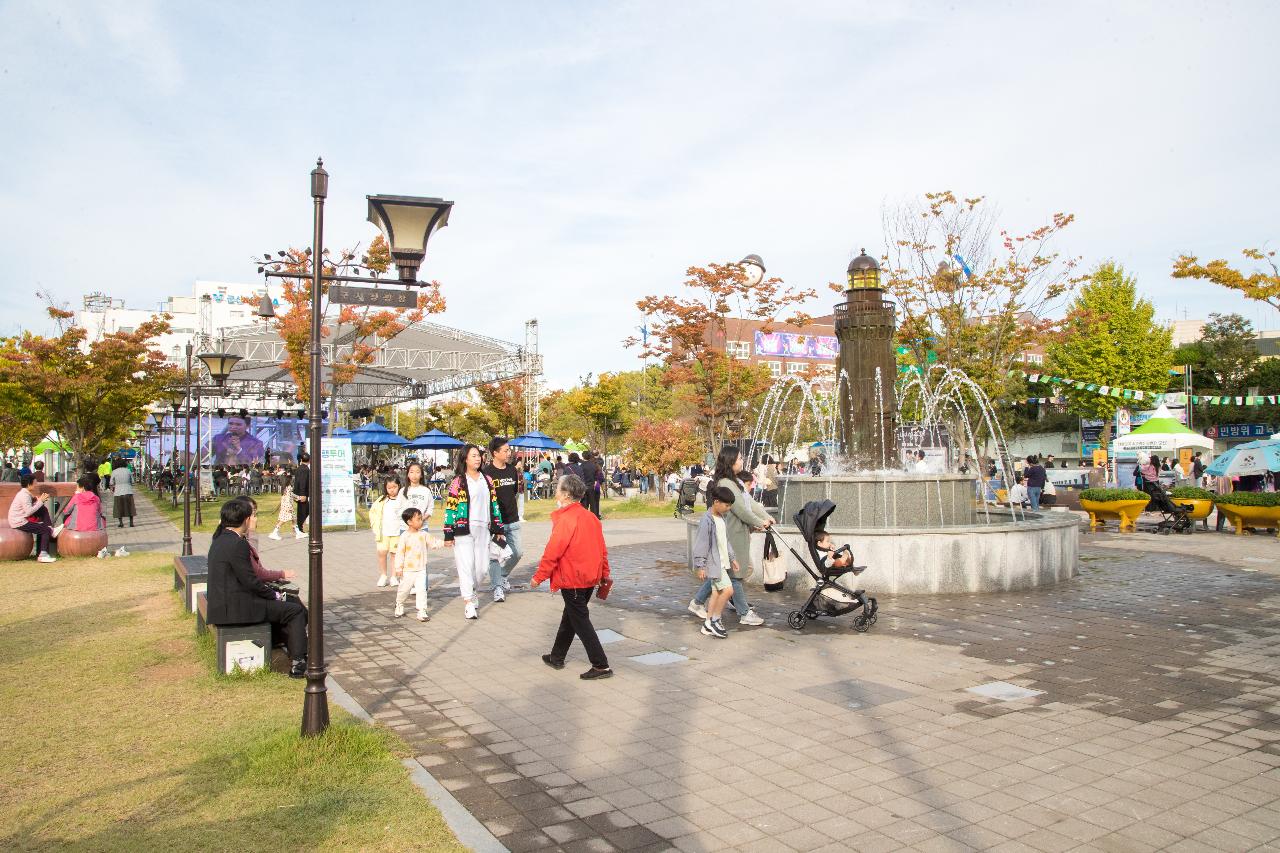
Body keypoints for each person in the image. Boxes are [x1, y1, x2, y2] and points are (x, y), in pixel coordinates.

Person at [206, 498, 307, 677]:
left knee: (285, 607)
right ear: (245, 520)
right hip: (238, 608)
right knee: (295, 611)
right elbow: (251, 581)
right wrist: (274, 595)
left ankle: (282, 646)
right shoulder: (238, 544)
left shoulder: (219, 540)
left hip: (224, 605)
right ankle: (299, 664)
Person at [531, 474, 613, 679]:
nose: (556, 492)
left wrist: (539, 576)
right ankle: (557, 656)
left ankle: (601, 665)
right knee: (571, 617)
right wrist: (603, 574)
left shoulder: (567, 519)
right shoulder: (590, 516)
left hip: (573, 578)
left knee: (580, 621)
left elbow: (553, 551)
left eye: (558, 488)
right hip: (588, 577)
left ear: (566, 494)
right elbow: (602, 549)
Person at [687, 447, 769, 626]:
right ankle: (744, 612)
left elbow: (750, 504)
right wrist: (758, 522)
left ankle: (697, 602)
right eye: (739, 458)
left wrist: (765, 516)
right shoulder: (725, 483)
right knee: (734, 575)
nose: (742, 461)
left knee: (723, 572)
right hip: (731, 534)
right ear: (731, 461)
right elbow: (740, 509)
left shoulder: (736, 482)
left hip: (737, 533)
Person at [443, 444, 506, 620]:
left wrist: (498, 528)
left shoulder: (487, 480)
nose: (477, 459)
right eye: (473, 456)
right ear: (465, 459)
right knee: (465, 566)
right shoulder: (459, 481)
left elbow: (494, 505)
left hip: (483, 529)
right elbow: (451, 507)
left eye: (478, 456)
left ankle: (472, 590)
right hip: (463, 529)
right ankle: (468, 602)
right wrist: (448, 532)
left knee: (481, 568)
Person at [691, 485, 739, 639]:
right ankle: (715, 620)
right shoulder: (707, 520)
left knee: (716, 592)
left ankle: (707, 623)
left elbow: (725, 541)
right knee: (728, 591)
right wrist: (701, 565)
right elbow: (701, 543)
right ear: (716, 502)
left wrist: (732, 558)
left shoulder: (721, 518)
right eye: (726, 505)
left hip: (722, 562)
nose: (728, 508)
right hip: (713, 563)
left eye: (730, 505)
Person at [482, 437, 523, 602]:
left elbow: (514, 492)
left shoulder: (512, 470)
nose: (509, 453)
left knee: (517, 552)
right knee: (495, 556)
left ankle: (502, 575)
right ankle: (497, 587)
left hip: (512, 520)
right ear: (495, 453)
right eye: (505, 450)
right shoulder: (486, 473)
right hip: (495, 523)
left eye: (509, 450)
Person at [394, 506, 445, 621]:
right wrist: (398, 568)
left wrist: (445, 543)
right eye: (418, 519)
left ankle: (422, 610)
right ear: (409, 522)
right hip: (407, 570)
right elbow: (399, 554)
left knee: (421, 590)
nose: (421, 521)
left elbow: (434, 542)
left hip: (421, 569)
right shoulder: (404, 536)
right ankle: (399, 604)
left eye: (421, 518)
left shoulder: (423, 534)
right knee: (404, 590)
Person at [8, 475, 57, 563]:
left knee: (42, 511)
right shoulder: (24, 495)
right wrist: (40, 501)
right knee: (45, 530)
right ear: (29, 484)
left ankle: (42, 551)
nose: (36, 485)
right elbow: (28, 512)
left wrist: (38, 502)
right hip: (19, 522)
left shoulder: (25, 493)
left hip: (19, 519)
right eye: (35, 483)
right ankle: (43, 554)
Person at [370, 476, 408, 588]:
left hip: (397, 532)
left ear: (399, 487)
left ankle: (394, 576)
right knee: (382, 553)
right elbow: (373, 513)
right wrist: (375, 527)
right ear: (385, 488)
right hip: (383, 533)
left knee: (394, 555)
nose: (392, 490)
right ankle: (383, 575)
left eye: (394, 487)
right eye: (389, 487)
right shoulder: (381, 500)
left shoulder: (403, 500)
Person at [110, 458, 135, 528]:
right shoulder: (128, 471)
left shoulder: (114, 472)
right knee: (130, 508)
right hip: (128, 491)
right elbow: (132, 481)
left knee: (119, 508)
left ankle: (121, 523)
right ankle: (131, 522)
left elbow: (111, 482)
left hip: (118, 492)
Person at [292, 452, 310, 539]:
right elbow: (302, 482)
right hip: (302, 494)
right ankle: (299, 529)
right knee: (303, 511)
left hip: (298, 493)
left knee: (303, 510)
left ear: (301, 460)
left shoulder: (300, 468)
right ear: (309, 461)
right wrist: (303, 494)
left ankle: (299, 529)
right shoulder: (304, 469)